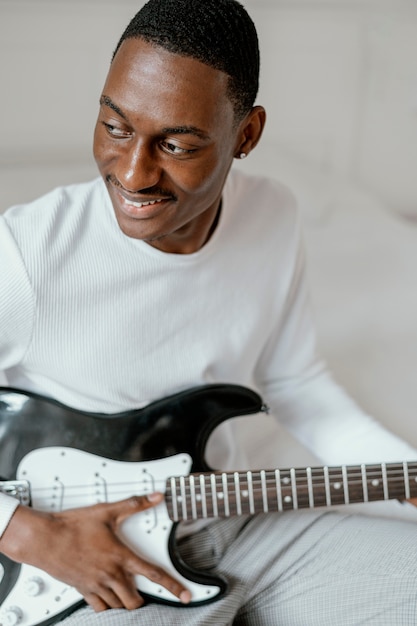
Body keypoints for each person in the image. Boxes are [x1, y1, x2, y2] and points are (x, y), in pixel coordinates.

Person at [1, 0, 417, 624]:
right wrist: (27, 533)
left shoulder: (273, 214)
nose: (135, 173)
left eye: (175, 144)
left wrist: (405, 480)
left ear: (245, 135)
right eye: (116, 128)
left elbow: (296, 385)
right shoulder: (28, 252)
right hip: (91, 560)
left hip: (236, 519)